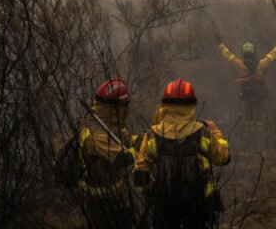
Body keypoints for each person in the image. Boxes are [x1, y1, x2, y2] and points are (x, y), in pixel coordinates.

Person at [134, 79, 230, 229]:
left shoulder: (152, 136)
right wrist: (216, 132)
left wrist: (150, 193)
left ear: (164, 106)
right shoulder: (203, 133)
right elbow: (223, 158)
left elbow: (140, 174)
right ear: (193, 105)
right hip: (199, 202)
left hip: (165, 204)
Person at [78, 78, 137, 229]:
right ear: (116, 107)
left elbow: (127, 141)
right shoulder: (94, 132)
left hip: (118, 195)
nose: (127, 109)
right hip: (98, 202)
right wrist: (138, 151)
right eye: (125, 105)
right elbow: (121, 158)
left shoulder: (111, 123)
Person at [217, 39, 276, 124]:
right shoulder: (261, 64)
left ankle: (250, 123)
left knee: (248, 108)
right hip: (259, 91)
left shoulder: (240, 64)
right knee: (259, 107)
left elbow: (228, 55)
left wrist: (220, 45)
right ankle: (260, 123)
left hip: (247, 91)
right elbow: (272, 54)